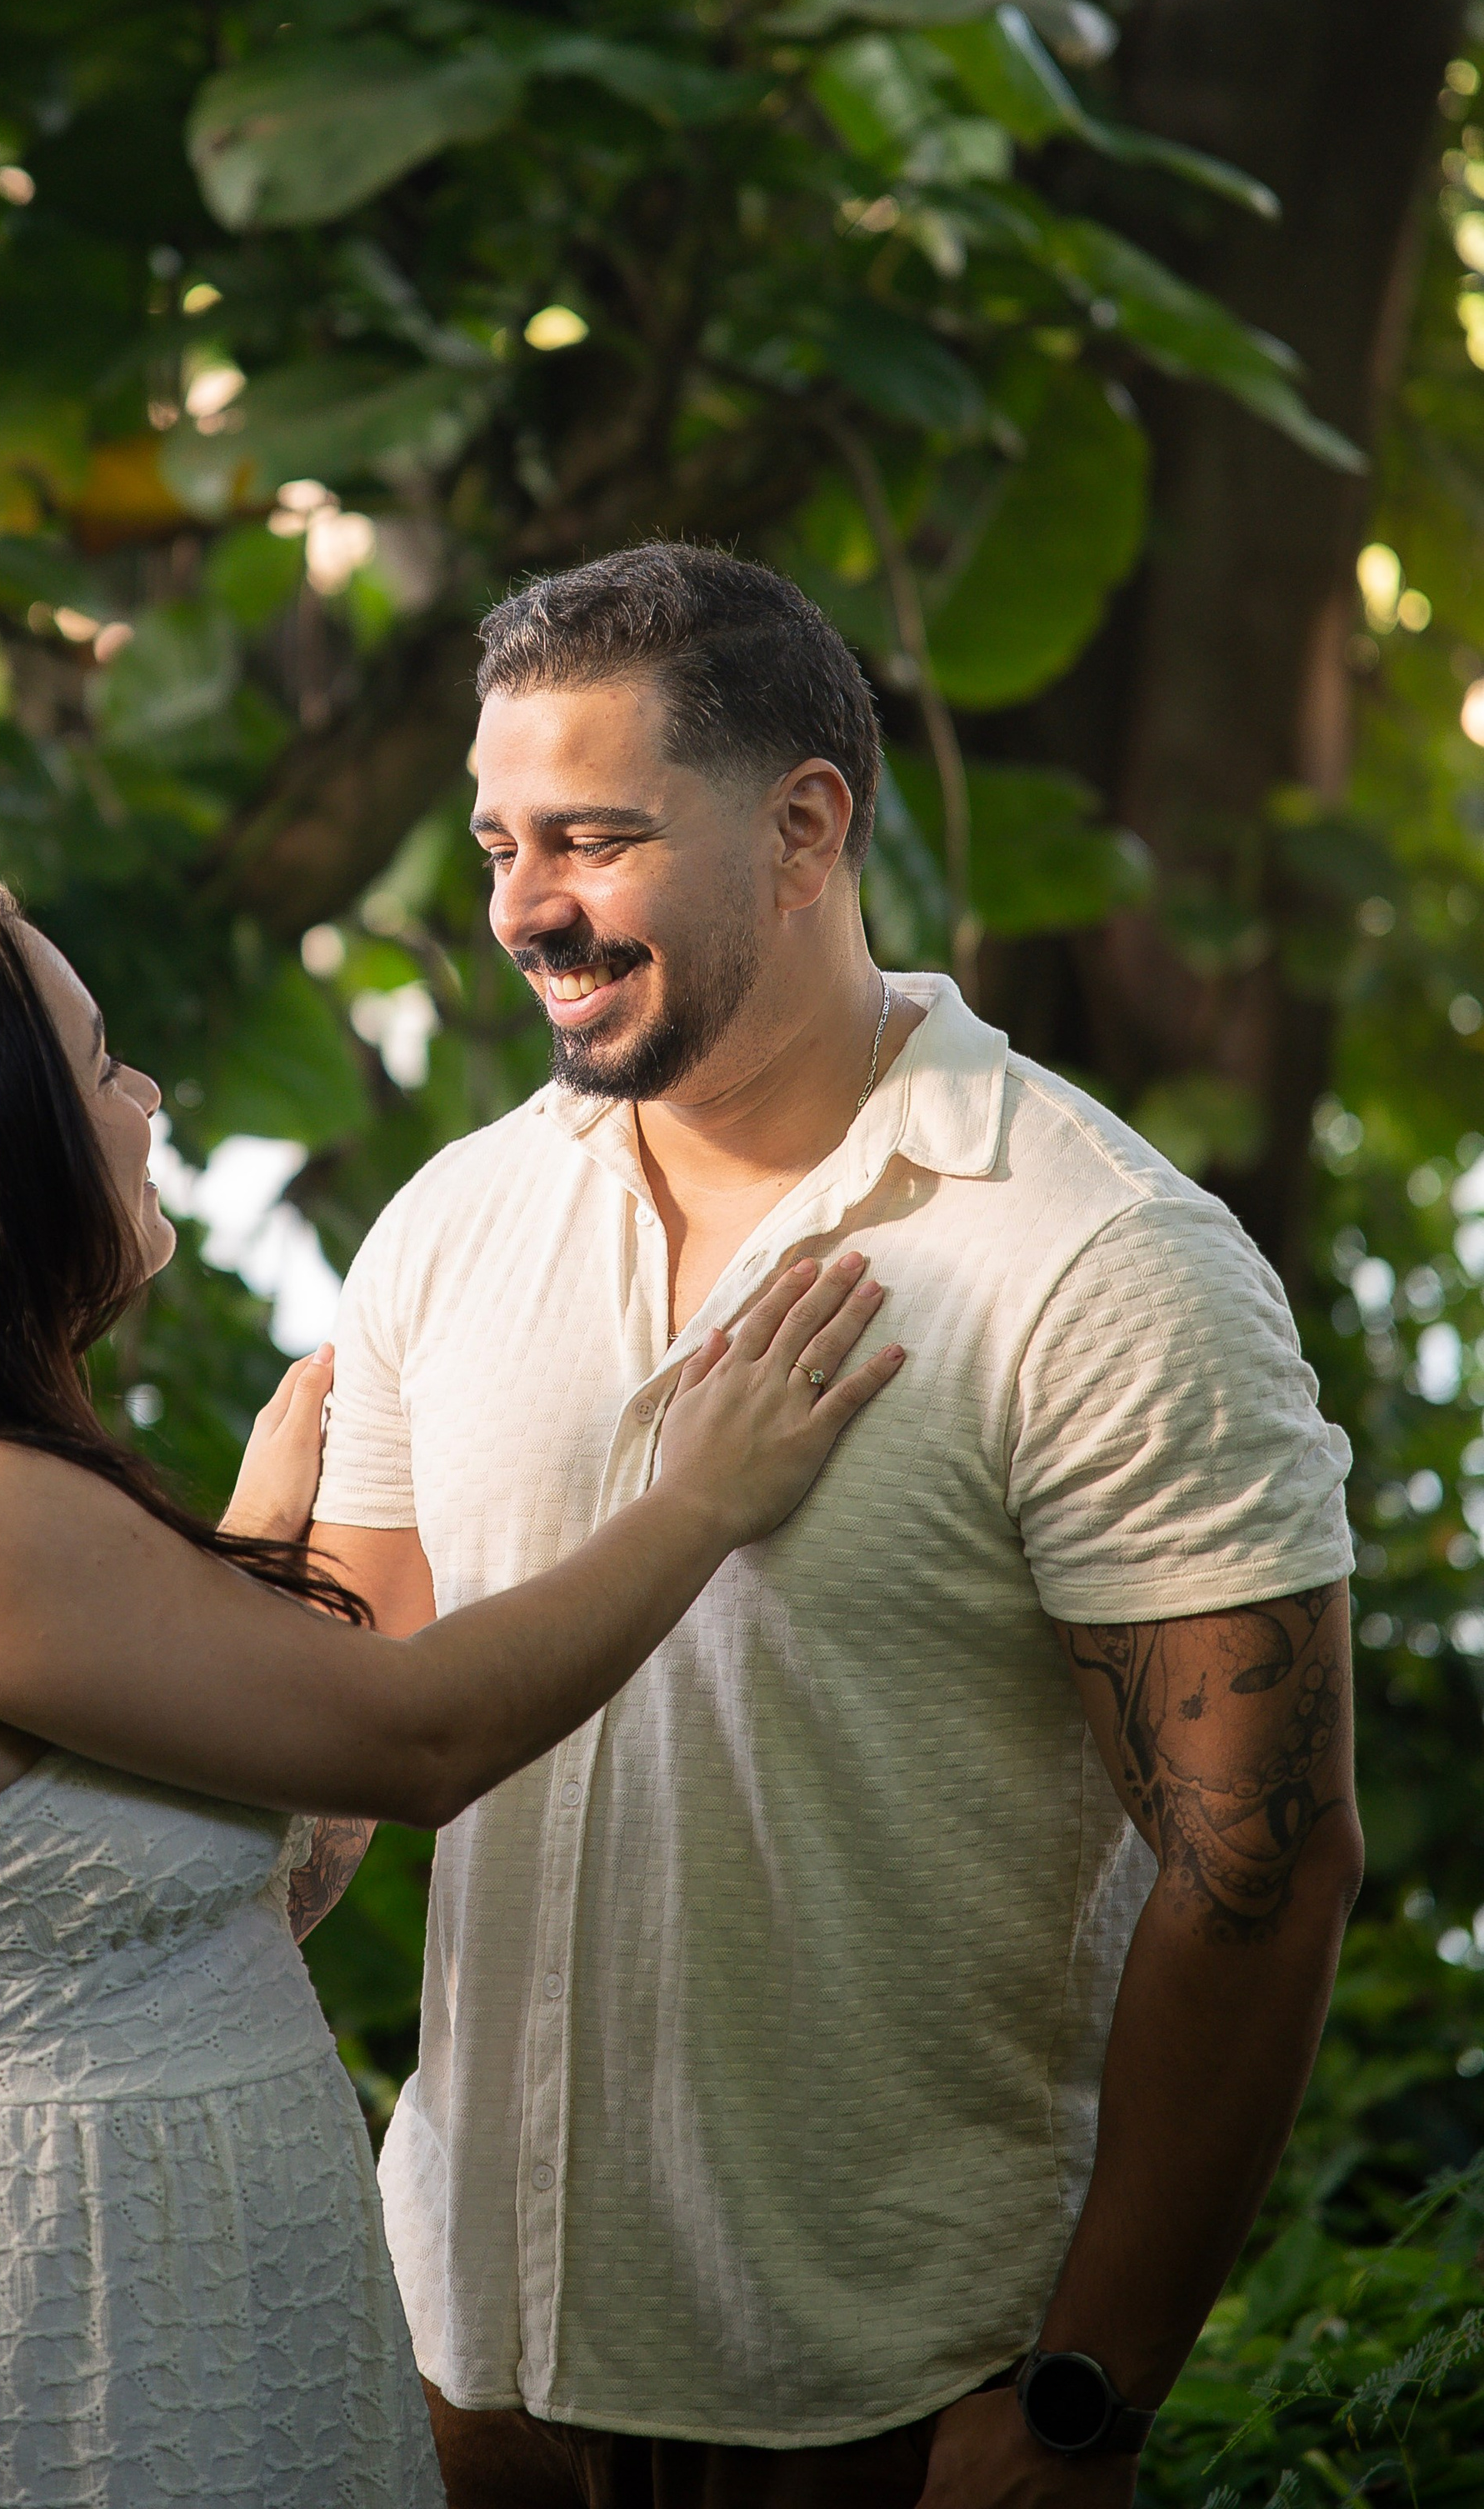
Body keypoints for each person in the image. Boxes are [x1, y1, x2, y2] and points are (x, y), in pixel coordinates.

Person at [0, 862, 905, 2508]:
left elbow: (103, 1941)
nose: (144, 1096)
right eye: (96, 1066)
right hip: (40, 2368)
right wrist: (702, 1496)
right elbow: (420, 1738)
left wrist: (240, 1543)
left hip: (128, 2323)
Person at [310, 542, 1362, 2509]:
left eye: (592, 839)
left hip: (883, 2398)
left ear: (804, 831)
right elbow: (340, 1745)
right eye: (494, 843)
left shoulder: (1095, 1255)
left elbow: (1263, 1859)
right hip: (463, 2370)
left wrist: (1081, 2396)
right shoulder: (449, 1225)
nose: (523, 908)